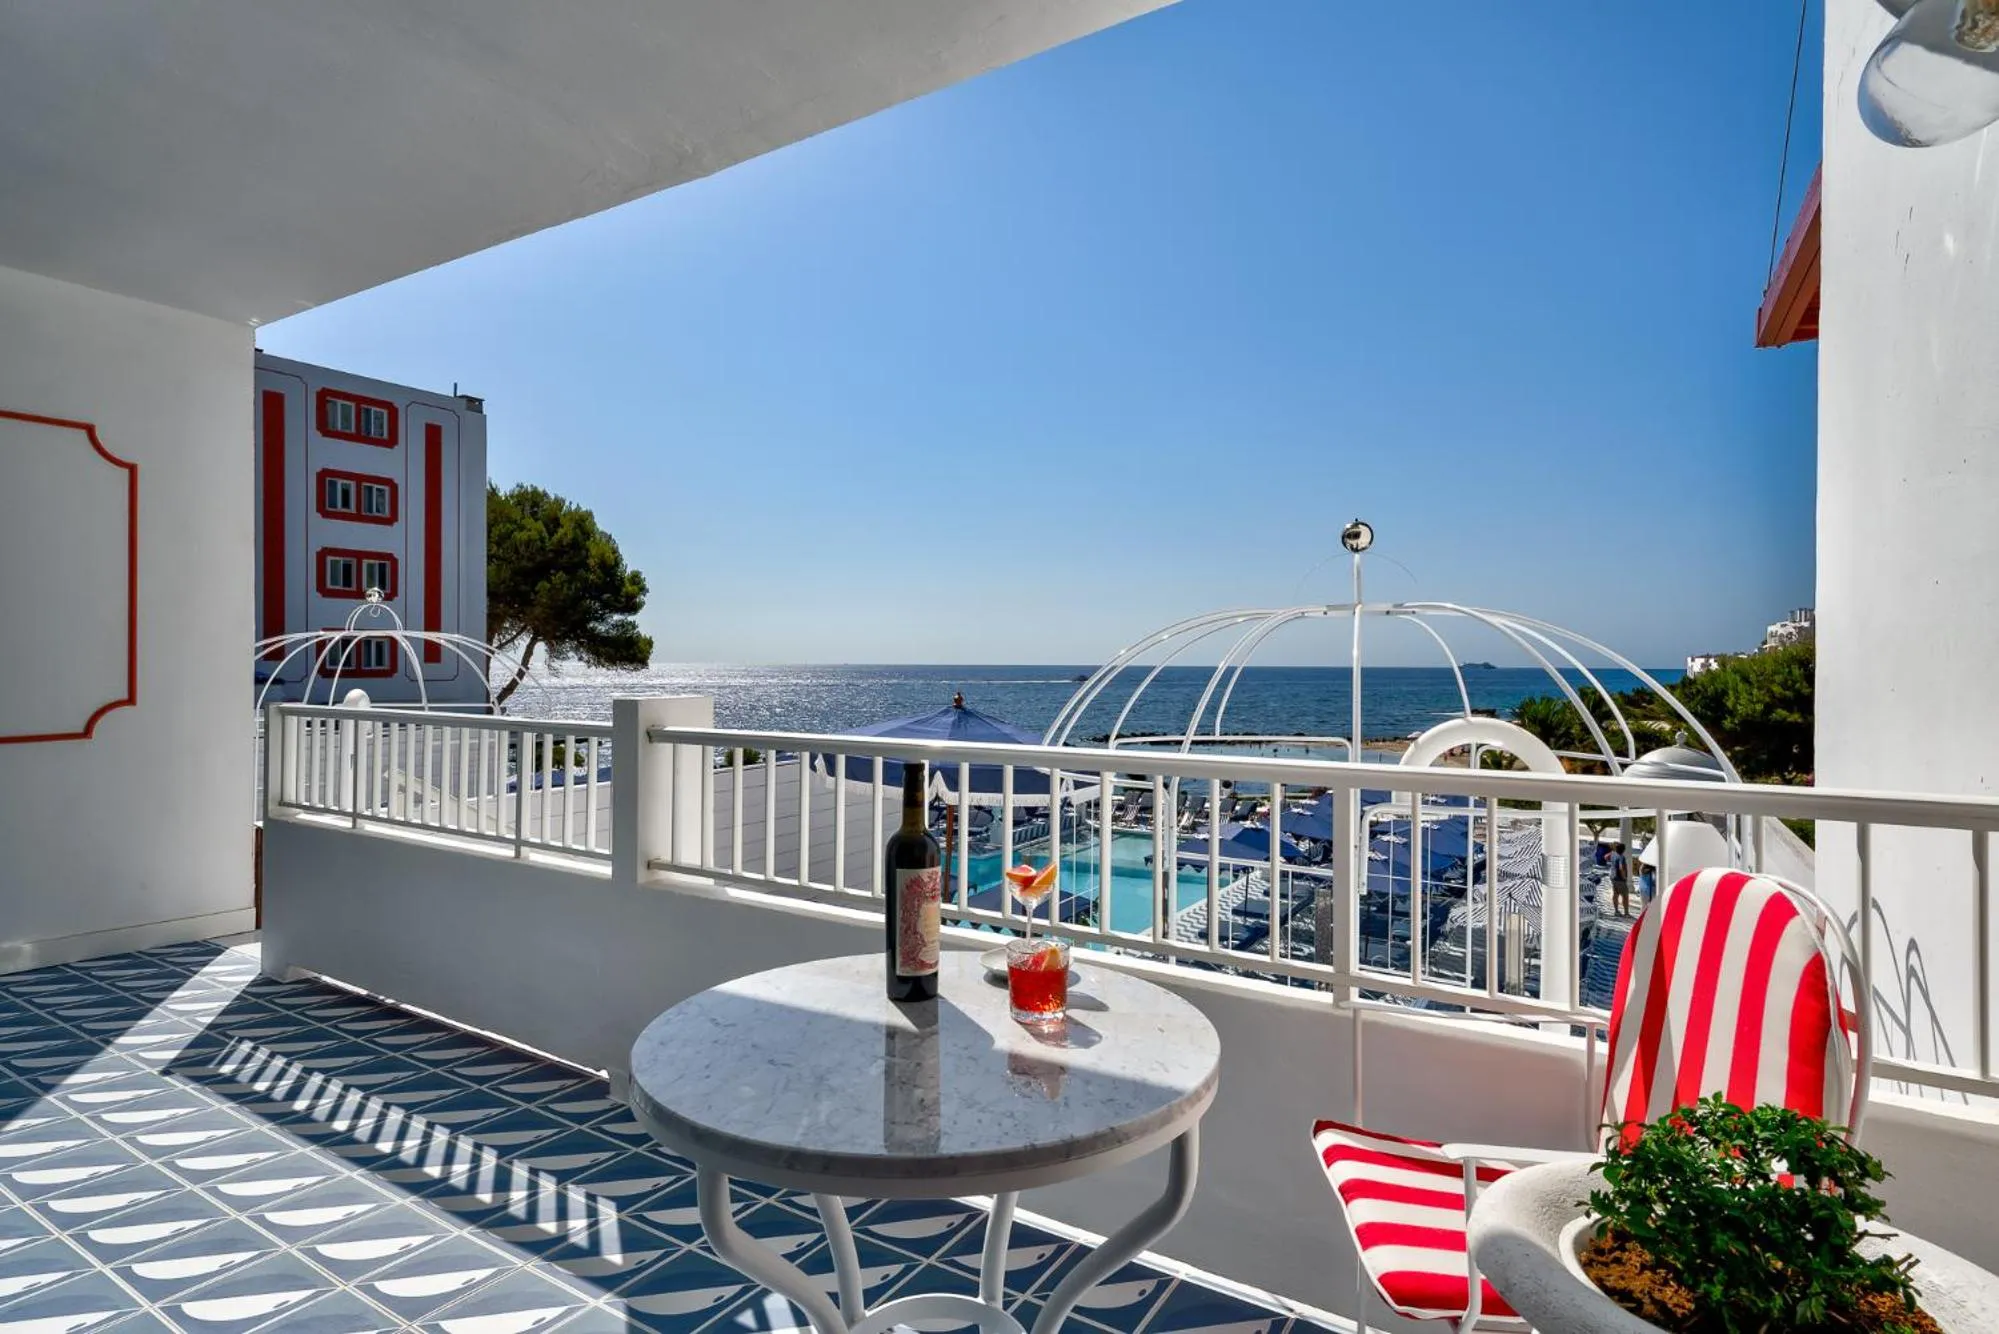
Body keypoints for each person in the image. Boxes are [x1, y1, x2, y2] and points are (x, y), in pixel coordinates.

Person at [1608, 842, 1630, 917]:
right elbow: (1621, 868)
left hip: (1613, 877)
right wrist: (1624, 877)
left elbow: (1606, 856)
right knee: (1625, 896)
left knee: (1615, 895)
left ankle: (1616, 911)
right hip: (1620, 879)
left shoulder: (1613, 854)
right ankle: (1626, 913)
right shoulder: (1621, 857)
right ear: (1624, 850)